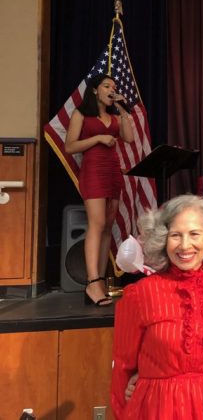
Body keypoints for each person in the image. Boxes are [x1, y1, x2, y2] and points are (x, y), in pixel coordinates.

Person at [110, 195, 203, 419]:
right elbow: (122, 370)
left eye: (194, 234)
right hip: (158, 408)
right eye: (175, 235)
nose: (184, 245)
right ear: (162, 239)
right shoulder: (141, 293)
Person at [64, 74, 134, 306]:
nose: (111, 90)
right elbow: (70, 146)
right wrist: (98, 139)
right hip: (93, 171)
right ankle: (92, 282)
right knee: (97, 224)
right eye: (106, 86)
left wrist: (123, 110)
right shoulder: (81, 114)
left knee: (107, 226)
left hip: (113, 171)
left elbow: (129, 138)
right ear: (95, 90)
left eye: (113, 87)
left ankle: (101, 281)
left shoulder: (114, 115)